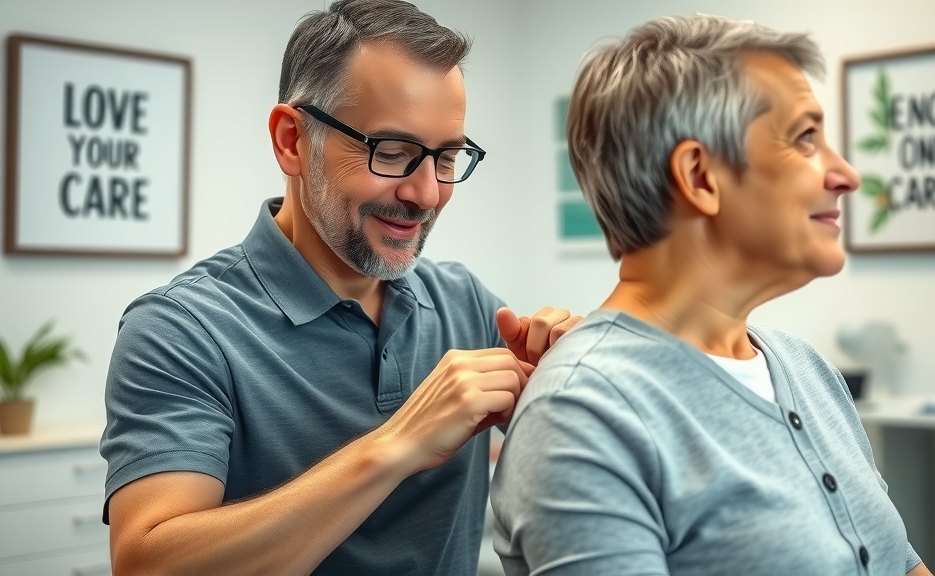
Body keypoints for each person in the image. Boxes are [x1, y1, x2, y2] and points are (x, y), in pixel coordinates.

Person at [99, 1, 579, 574]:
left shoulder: (465, 303)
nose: (426, 193)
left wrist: (566, 381)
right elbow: (146, 565)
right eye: (393, 153)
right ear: (292, 141)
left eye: (447, 157)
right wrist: (396, 445)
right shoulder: (182, 330)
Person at [490, 14, 934, 576]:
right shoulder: (583, 413)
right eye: (804, 139)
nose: (845, 174)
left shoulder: (805, 368)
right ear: (700, 176)